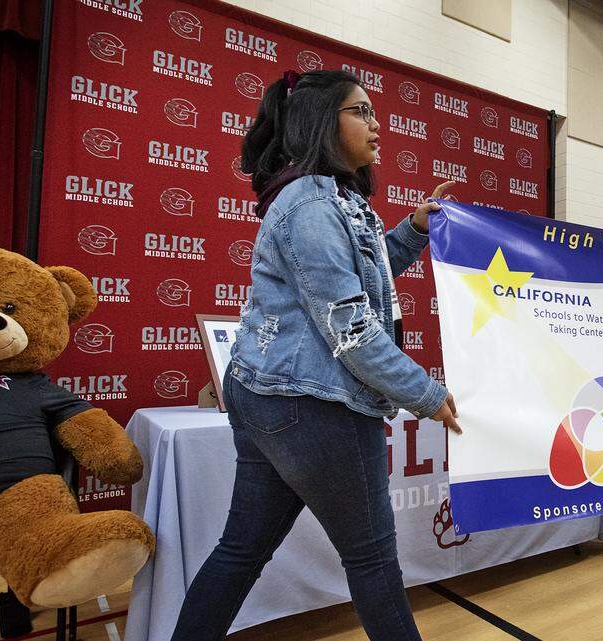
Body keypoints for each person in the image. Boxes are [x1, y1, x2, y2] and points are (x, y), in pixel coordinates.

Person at [170, 70, 461, 641]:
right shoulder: (309, 206)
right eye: (360, 111)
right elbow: (351, 329)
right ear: (323, 125)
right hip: (314, 404)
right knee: (373, 560)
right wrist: (425, 394)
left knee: (240, 550)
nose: (377, 123)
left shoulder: (335, 200)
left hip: (272, 398)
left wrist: (414, 228)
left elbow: (367, 276)